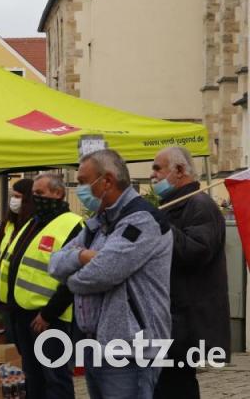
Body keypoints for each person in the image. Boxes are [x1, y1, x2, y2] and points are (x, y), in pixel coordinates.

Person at [49, 149, 172, 399]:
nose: (79, 189)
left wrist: (73, 277)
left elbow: (100, 274)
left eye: (83, 182)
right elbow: (55, 263)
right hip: (98, 345)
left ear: (107, 181)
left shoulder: (140, 220)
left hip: (130, 350)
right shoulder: (100, 222)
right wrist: (82, 256)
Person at [151, 147, 230, 399]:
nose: (153, 175)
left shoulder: (200, 205)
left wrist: (161, 224)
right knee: (167, 384)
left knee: (177, 386)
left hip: (187, 318)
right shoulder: (172, 205)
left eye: (158, 168)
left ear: (179, 170)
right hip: (170, 315)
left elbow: (194, 252)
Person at [1, 173, 82, 399]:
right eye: (33, 194)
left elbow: (72, 278)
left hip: (48, 318)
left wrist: (48, 313)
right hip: (23, 313)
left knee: (55, 378)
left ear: (58, 193)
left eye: (40, 193)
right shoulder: (34, 221)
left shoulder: (72, 224)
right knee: (32, 375)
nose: (35, 198)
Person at [0, 178, 35, 343]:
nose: (13, 200)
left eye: (18, 196)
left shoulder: (33, 225)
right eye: (13, 196)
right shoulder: (8, 224)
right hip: (5, 298)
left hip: (24, 298)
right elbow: (0, 251)